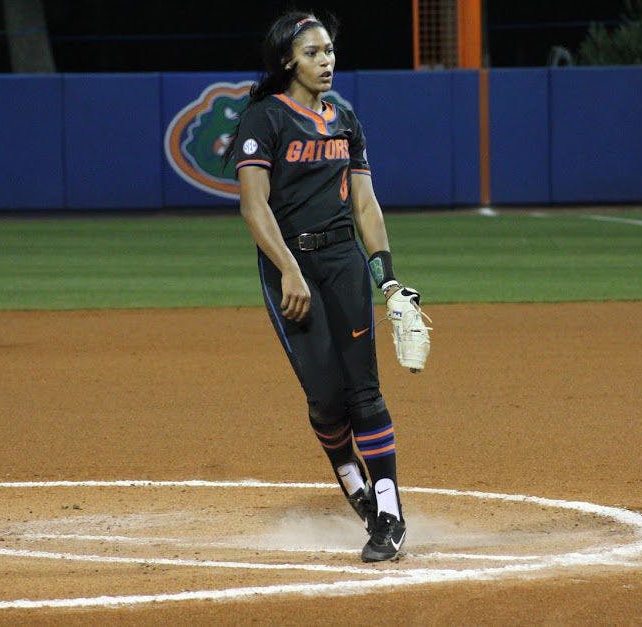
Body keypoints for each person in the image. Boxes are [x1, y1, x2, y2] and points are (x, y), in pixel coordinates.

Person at [225, 11, 415, 562]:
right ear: (288, 60)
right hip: (289, 264)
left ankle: (388, 513)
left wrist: (388, 277)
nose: (325, 60)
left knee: (364, 390)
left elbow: (364, 203)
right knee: (328, 398)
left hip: (342, 261)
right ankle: (346, 470)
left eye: (329, 50)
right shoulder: (264, 119)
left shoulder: (345, 117)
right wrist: (288, 268)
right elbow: (253, 205)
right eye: (312, 53)